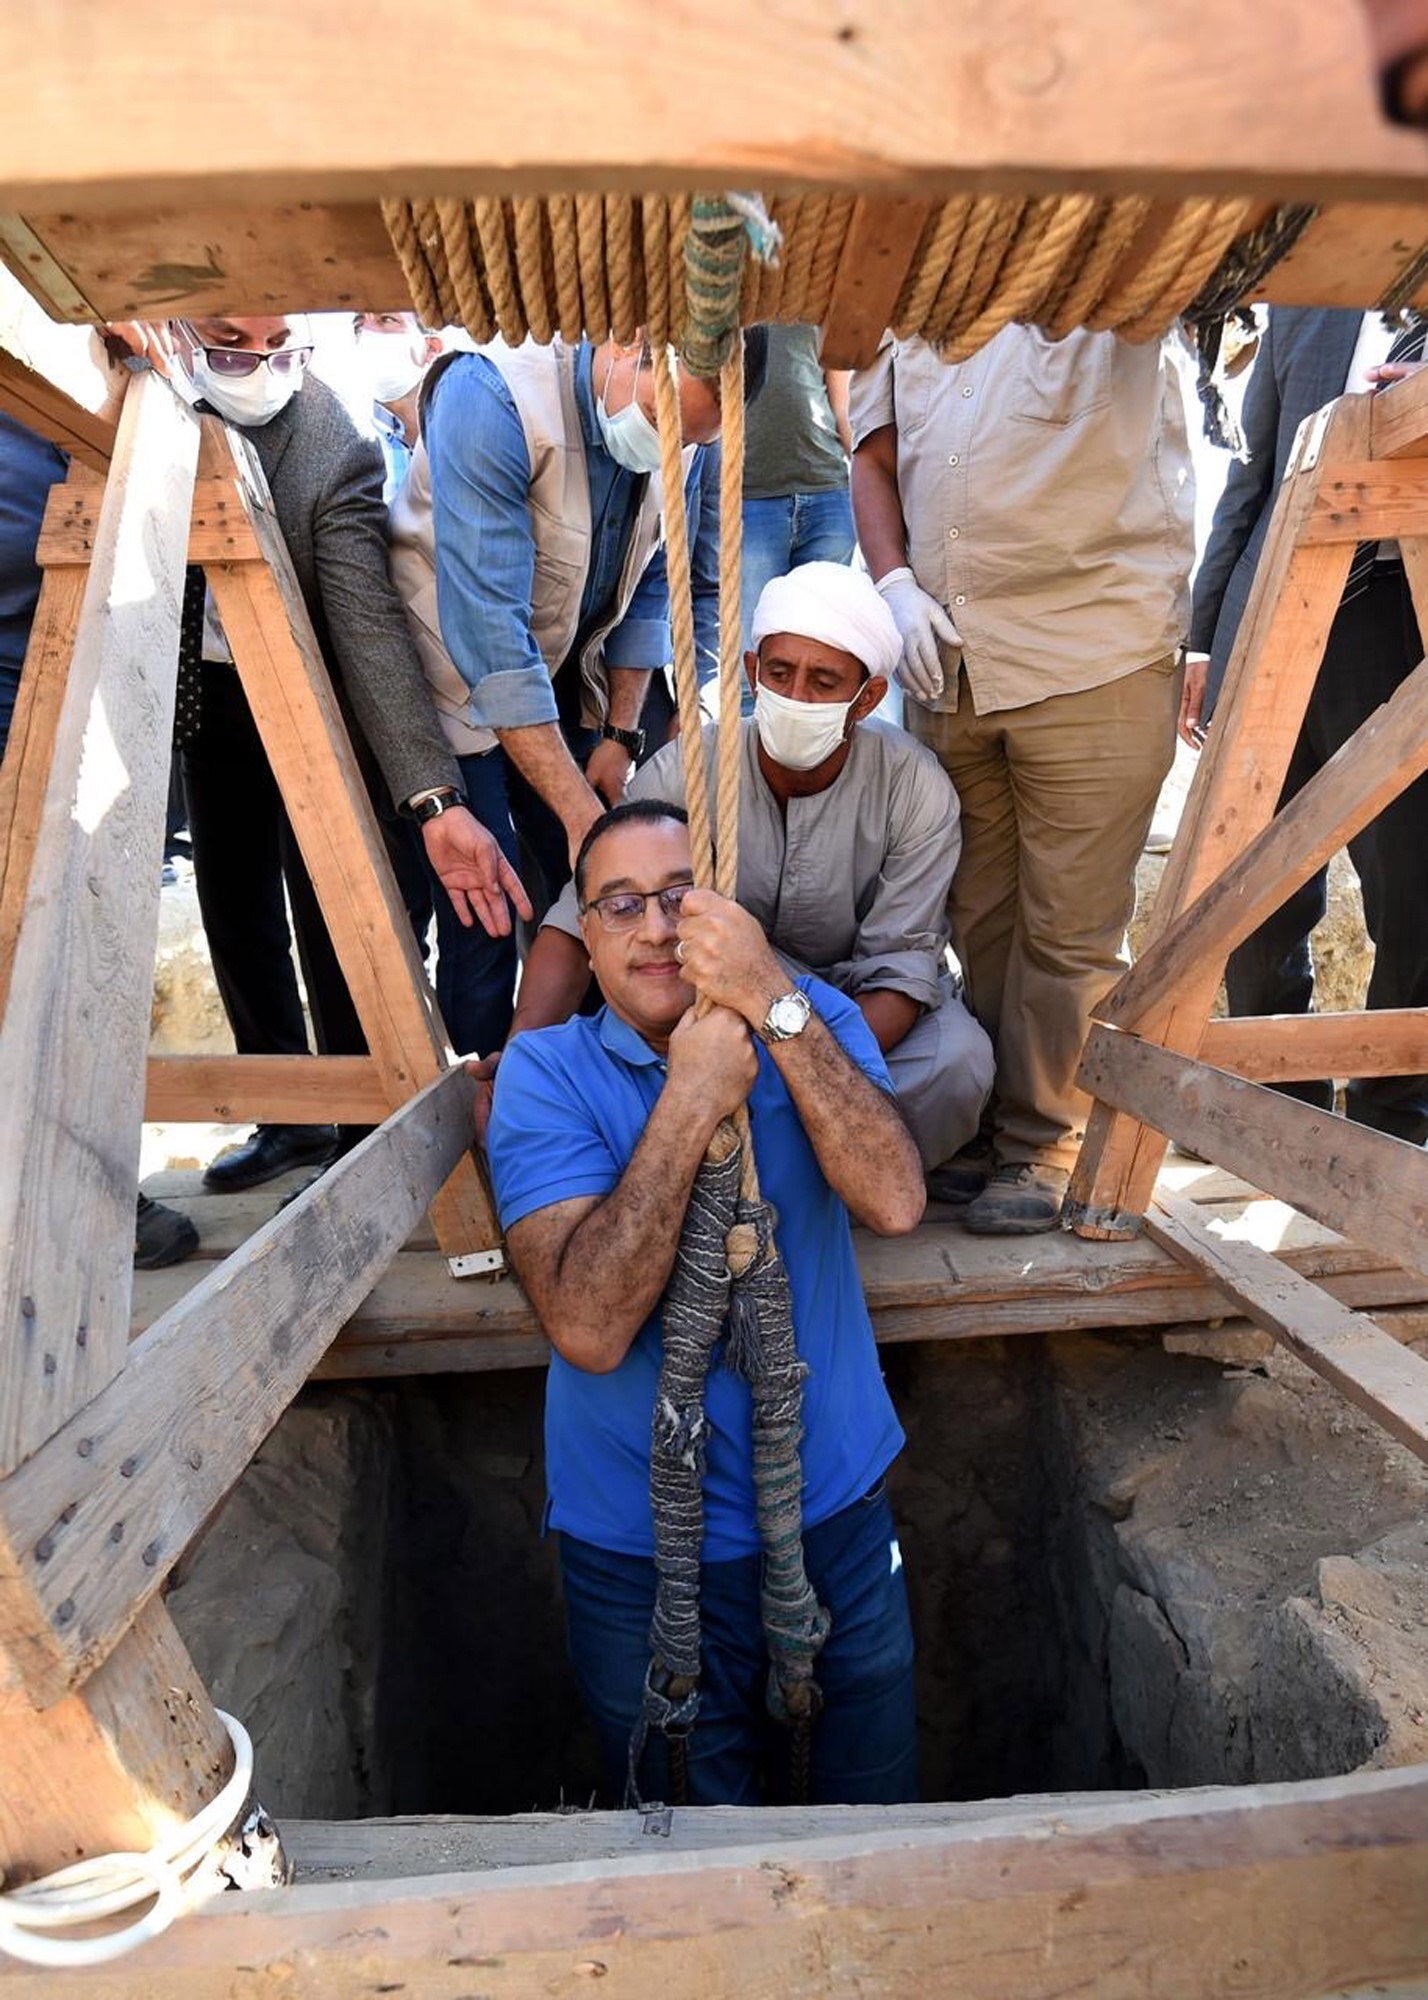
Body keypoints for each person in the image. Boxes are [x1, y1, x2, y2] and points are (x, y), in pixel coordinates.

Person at [485, 798, 925, 1806]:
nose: (653, 926)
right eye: (620, 903)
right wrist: (691, 1095)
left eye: (679, 896)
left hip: (837, 1517)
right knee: (689, 1876)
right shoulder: (545, 1074)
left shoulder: (811, 1017)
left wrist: (770, 999)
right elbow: (589, 1328)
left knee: (879, 1847)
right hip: (633, 1554)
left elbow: (895, 1196)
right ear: (583, 938)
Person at [116, 314, 528, 1192]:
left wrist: (427, 791)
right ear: (186, 330)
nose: (257, 367)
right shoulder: (138, 393)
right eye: (232, 345)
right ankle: (287, 1117)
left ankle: (359, 1128)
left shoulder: (331, 439)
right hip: (205, 690)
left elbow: (367, 625)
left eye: (279, 348)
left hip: (311, 688)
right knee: (233, 901)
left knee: (332, 902)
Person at [852, 326, 1194, 1233]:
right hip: (949, 665)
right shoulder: (910, 296)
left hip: (1094, 647)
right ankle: (997, 1126)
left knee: (1070, 926)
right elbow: (874, 455)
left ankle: (1046, 1141)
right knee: (980, 917)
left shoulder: (1111, 272)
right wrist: (891, 582)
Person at [506, 563, 994, 1176]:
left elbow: (899, 976)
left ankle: (757, 1168)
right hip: (711, 1017)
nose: (797, 697)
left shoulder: (914, 787)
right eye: (781, 673)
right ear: (751, 671)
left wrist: (795, 1068)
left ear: (867, 697)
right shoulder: (691, 764)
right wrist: (520, 1057)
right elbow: (583, 917)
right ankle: (782, 1165)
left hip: (849, 1017)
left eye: (824, 682)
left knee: (957, 1063)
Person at [388, 330, 756, 1055]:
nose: (674, 445)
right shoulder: (490, 394)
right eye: (662, 421)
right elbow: (489, 636)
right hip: (451, 682)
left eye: (694, 437)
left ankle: (589, 1092)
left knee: (588, 903)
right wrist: (579, 808)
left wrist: (618, 737)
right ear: (627, 344)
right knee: (487, 916)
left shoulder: (696, 432)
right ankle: (488, 1116)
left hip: (559, 677)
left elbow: (656, 580)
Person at [1182, 305, 1428, 1143]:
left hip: (1400, 617)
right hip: (1275, 614)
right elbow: (1251, 480)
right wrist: (1204, 638)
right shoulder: (1305, 308)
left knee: (1410, 882)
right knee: (1257, 884)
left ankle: (1395, 1115)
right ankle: (1269, 1103)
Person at [0, 408, 197, 1268]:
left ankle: (77, 1182)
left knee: (72, 966)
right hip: (30, 700)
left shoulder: (73, 391)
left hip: (72, 708)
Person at [738, 325, 854, 691]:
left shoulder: (818, 293)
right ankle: (745, 745)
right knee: (754, 655)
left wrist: (871, 480)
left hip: (827, 490)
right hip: (749, 495)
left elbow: (842, 402)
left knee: (823, 650)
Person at [351, 309, 442, 500]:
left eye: (387, 320)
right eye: (359, 325)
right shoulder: (349, 446)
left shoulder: (465, 431)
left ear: (431, 348)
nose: (368, 335)